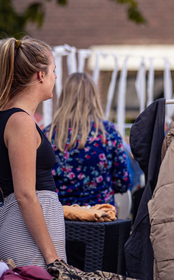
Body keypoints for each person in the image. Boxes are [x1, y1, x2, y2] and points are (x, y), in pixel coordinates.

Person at [0, 36, 66, 269]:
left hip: (20, 228)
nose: (55, 77)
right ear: (40, 75)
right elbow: (25, 195)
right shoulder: (20, 121)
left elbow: (7, 187)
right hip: (29, 237)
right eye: (53, 70)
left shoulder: (1, 118)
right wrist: (53, 258)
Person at [44, 72, 131, 207]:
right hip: (100, 217)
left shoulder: (48, 134)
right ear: (94, 98)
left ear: (64, 97)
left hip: (59, 218)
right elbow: (123, 182)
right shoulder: (108, 132)